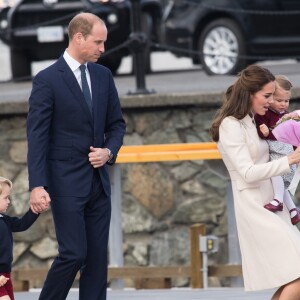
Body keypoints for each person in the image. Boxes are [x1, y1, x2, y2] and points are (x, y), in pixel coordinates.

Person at [27, 12, 126, 300]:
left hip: (98, 184)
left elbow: (117, 125)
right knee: (73, 253)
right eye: (98, 42)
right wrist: (37, 185)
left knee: (96, 262)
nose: (103, 49)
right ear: (79, 37)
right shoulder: (47, 80)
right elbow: (37, 137)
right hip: (65, 184)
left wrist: (108, 152)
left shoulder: (103, 75)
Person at [210, 65, 300, 299]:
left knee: (292, 276)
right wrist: (290, 159)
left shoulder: (252, 119)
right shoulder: (231, 125)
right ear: (250, 93)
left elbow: (271, 149)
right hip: (254, 207)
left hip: (271, 204)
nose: (271, 102)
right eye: (267, 96)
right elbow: (247, 172)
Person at [255, 75, 300, 225]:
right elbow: (261, 129)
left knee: (275, 171)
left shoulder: (288, 116)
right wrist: (264, 132)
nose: (283, 105)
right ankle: (293, 210)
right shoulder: (266, 114)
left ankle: (278, 200)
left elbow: (292, 135)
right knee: (281, 181)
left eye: (286, 101)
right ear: (270, 98)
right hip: (281, 151)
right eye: (279, 100)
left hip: (284, 151)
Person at [0, 176, 40, 300]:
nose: (9, 201)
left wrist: (35, 210)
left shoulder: (4, 220)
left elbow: (22, 224)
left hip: (6, 274)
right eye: (6, 198)